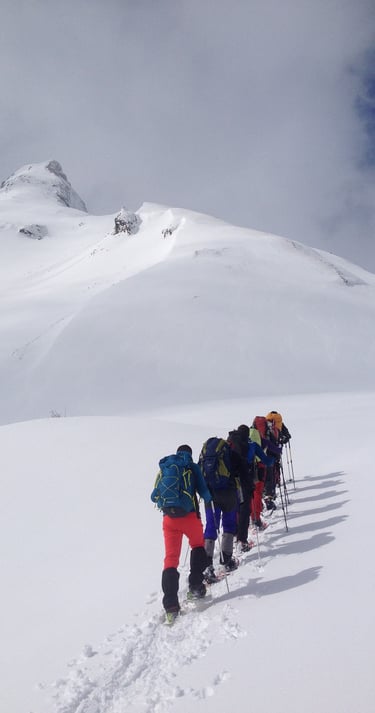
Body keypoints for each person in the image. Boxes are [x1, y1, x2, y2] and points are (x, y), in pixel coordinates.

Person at [151, 444, 212, 622]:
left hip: (169, 519)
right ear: (190, 454)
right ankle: (195, 586)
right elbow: (205, 493)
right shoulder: (191, 467)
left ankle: (170, 605)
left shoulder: (166, 467)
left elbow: (153, 496)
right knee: (198, 546)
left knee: (170, 559)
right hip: (189, 517)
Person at [200, 437, 242, 583]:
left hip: (210, 495)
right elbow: (240, 470)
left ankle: (207, 565)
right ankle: (227, 560)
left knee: (211, 526)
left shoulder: (204, 455)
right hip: (228, 493)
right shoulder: (230, 452)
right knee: (229, 525)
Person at [231, 424, 274, 548]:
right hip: (246, 479)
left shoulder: (230, 444)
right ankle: (242, 540)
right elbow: (265, 460)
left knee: (236, 507)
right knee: (245, 508)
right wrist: (272, 459)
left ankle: (234, 532)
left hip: (232, 480)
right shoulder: (252, 445)